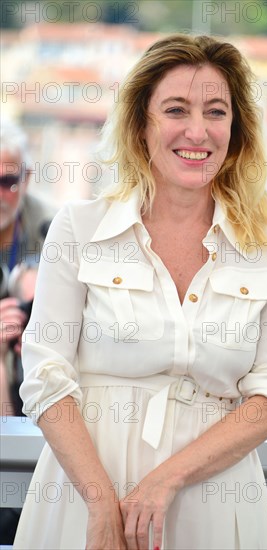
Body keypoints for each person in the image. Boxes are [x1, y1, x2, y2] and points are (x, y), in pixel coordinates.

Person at [14, 34, 267, 550]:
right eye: (176, 109)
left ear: (235, 131)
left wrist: (164, 481)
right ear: (140, 124)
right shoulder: (78, 228)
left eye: (216, 111)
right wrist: (102, 503)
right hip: (83, 497)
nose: (198, 130)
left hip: (216, 502)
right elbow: (43, 375)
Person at [0, 119, 55, 545]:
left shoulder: (53, 231)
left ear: (27, 178)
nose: (0, 194)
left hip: (35, 388)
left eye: (7, 181)